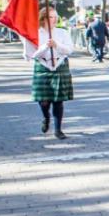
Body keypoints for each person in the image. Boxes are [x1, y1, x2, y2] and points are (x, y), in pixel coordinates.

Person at [24, 7, 74, 140]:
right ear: (43, 18)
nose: (55, 19)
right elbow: (30, 55)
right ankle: (46, 117)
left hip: (60, 65)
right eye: (51, 17)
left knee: (58, 101)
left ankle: (58, 130)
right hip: (43, 66)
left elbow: (69, 50)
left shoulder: (62, 32)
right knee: (44, 101)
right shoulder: (35, 33)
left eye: (56, 16)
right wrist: (45, 46)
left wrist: (57, 45)